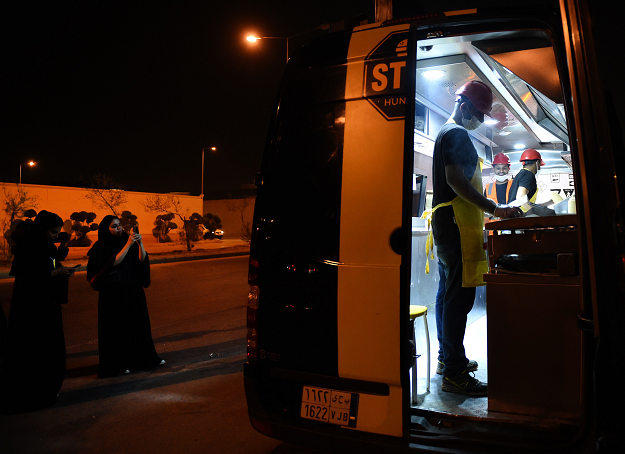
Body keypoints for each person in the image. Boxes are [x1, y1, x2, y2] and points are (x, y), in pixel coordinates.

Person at [430, 80, 521, 396]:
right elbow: (456, 181)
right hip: (455, 223)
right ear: (465, 105)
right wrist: (495, 208)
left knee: (447, 291)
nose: (481, 121)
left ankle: (447, 358)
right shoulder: (455, 133)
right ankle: (454, 373)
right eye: (480, 114)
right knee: (459, 297)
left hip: (448, 223)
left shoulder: (445, 132)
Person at [0, 210, 75, 413]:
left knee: (51, 352)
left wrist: (61, 270)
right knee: (34, 353)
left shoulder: (46, 246)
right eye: (53, 232)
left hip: (48, 307)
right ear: (42, 230)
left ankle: (49, 389)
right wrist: (56, 272)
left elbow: (54, 260)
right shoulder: (29, 248)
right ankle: (35, 394)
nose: (55, 236)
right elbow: (28, 278)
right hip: (32, 312)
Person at [87, 215, 164, 378]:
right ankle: (118, 366)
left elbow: (142, 261)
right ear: (106, 229)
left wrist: (139, 244)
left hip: (133, 291)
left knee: (138, 325)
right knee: (117, 330)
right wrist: (129, 244)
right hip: (114, 295)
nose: (119, 228)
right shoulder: (102, 246)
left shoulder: (127, 242)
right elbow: (112, 263)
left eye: (119, 225)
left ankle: (144, 360)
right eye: (114, 226)